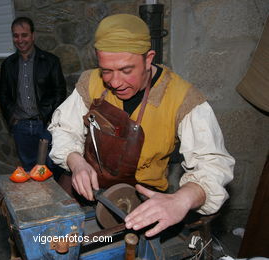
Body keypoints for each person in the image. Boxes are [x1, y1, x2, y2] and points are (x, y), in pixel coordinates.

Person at [48, 14, 235, 258]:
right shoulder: (91, 83)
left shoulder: (182, 98)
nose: (115, 82)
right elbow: (64, 127)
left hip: (138, 200)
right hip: (84, 187)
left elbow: (214, 164)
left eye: (126, 70)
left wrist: (182, 199)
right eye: (107, 71)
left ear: (148, 59)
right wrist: (76, 161)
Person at [0, 17, 66, 178]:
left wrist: (50, 119)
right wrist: (13, 119)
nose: (20, 40)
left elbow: (60, 92)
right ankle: (37, 201)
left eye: (24, 35)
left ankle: (52, 202)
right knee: (29, 170)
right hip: (21, 127)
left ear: (33, 35)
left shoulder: (50, 61)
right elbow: (4, 95)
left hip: (44, 125)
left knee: (52, 170)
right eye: (16, 36)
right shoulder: (8, 64)